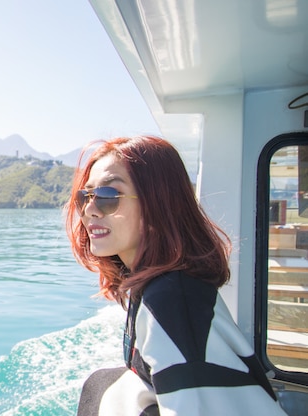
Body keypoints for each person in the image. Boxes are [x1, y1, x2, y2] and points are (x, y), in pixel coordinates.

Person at [65, 136, 286, 415]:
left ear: (158, 204)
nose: (89, 210)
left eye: (109, 196)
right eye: (85, 197)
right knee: (101, 382)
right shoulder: (157, 287)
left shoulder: (173, 301)